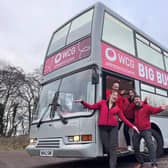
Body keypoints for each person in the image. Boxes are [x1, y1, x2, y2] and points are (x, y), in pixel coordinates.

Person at [73, 90, 139, 168]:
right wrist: (82, 102)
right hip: (103, 127)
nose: (115, 96)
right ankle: (111, 156)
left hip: (113, 127)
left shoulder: (117, 108)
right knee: (107, 147)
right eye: (114, 95)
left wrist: (133, 126)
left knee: (113, 148)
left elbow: (124, 118)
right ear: (110, 95)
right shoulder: (102, 103)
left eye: (117, 96)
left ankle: (112, 166)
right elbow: (91, 107)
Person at [133, 95, 168, 168]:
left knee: (150, 145)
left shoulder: (146, 107)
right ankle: (140, 162)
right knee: (136, 146)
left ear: (140, 100)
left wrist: (161, 108)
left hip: (146, 130)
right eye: (135, 100)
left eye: (137, 99)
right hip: (137, 130)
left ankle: (154, 164)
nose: (136, 101)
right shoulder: (134, 109)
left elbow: (154, 110)